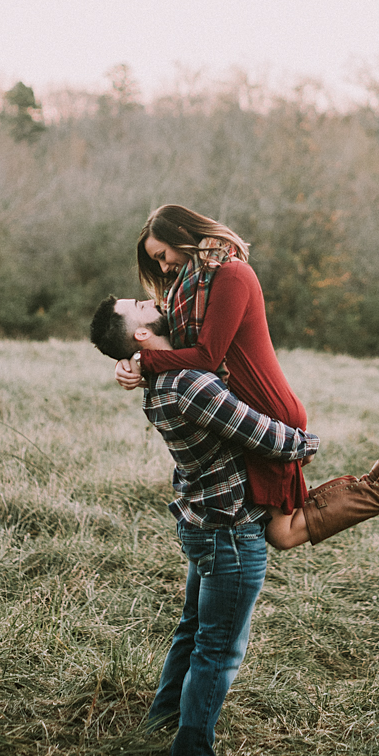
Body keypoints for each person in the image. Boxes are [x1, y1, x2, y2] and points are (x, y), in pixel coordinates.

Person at [90, 294, 379, 756]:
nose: (153, 301)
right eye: (140, 306)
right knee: (217, 654)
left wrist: (140, 363)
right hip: (231, 531)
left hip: (206, 522)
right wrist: (307, 439)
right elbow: (274, 441)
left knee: (193, 634)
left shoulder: (162, 377)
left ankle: (157, 733)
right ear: (141, 335)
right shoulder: (189, 383)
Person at [113, 204, 312, 548]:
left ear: (181, 235)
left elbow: (207, 356)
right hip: (244, 408)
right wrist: (130, 362)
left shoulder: (232, 275)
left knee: (283, 533)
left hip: (266, 407)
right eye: (157, 263)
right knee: (281, 528)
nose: (163, 267)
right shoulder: (192, 289)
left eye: (162, 255)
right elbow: (168, 346)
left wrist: (143, 360)